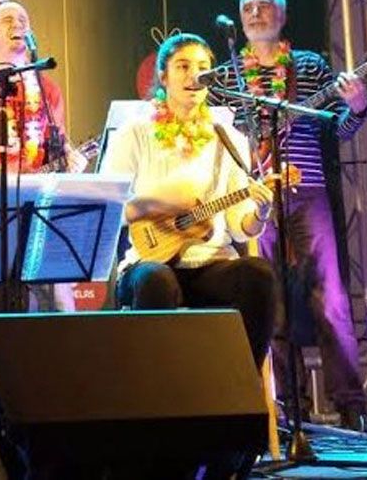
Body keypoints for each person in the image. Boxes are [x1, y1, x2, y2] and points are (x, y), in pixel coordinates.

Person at [101, 32, 277, 478]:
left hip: (207, 259)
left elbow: (239, 224)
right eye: (182, 65)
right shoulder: (135, 133)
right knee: (157, 281)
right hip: (147, 260)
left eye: (202, 66)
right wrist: (160, 202)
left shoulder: (226, 136)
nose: (193, 75)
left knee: (257, 275)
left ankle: (234, 411)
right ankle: (162, 427)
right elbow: (109, 208)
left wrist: (259, 209)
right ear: (163, 76)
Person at [208, 0, 367, 430]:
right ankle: (283, 409)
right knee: (269, 298)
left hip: (308, 190)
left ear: (282, 16)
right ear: (240, 20)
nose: (256, 12)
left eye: (266, 5)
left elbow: (334, 131)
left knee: (331, 297)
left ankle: (352, 406)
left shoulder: (310, 67)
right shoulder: (226, 78)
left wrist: (356, 109)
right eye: (248, 7)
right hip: (254, 197)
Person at [0, 0, 84, 175]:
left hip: (34, 192)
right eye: (8, 20)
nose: (18, 24)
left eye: (23, 20)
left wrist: (70, 162)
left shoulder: (48, 90)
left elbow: (57, 152)